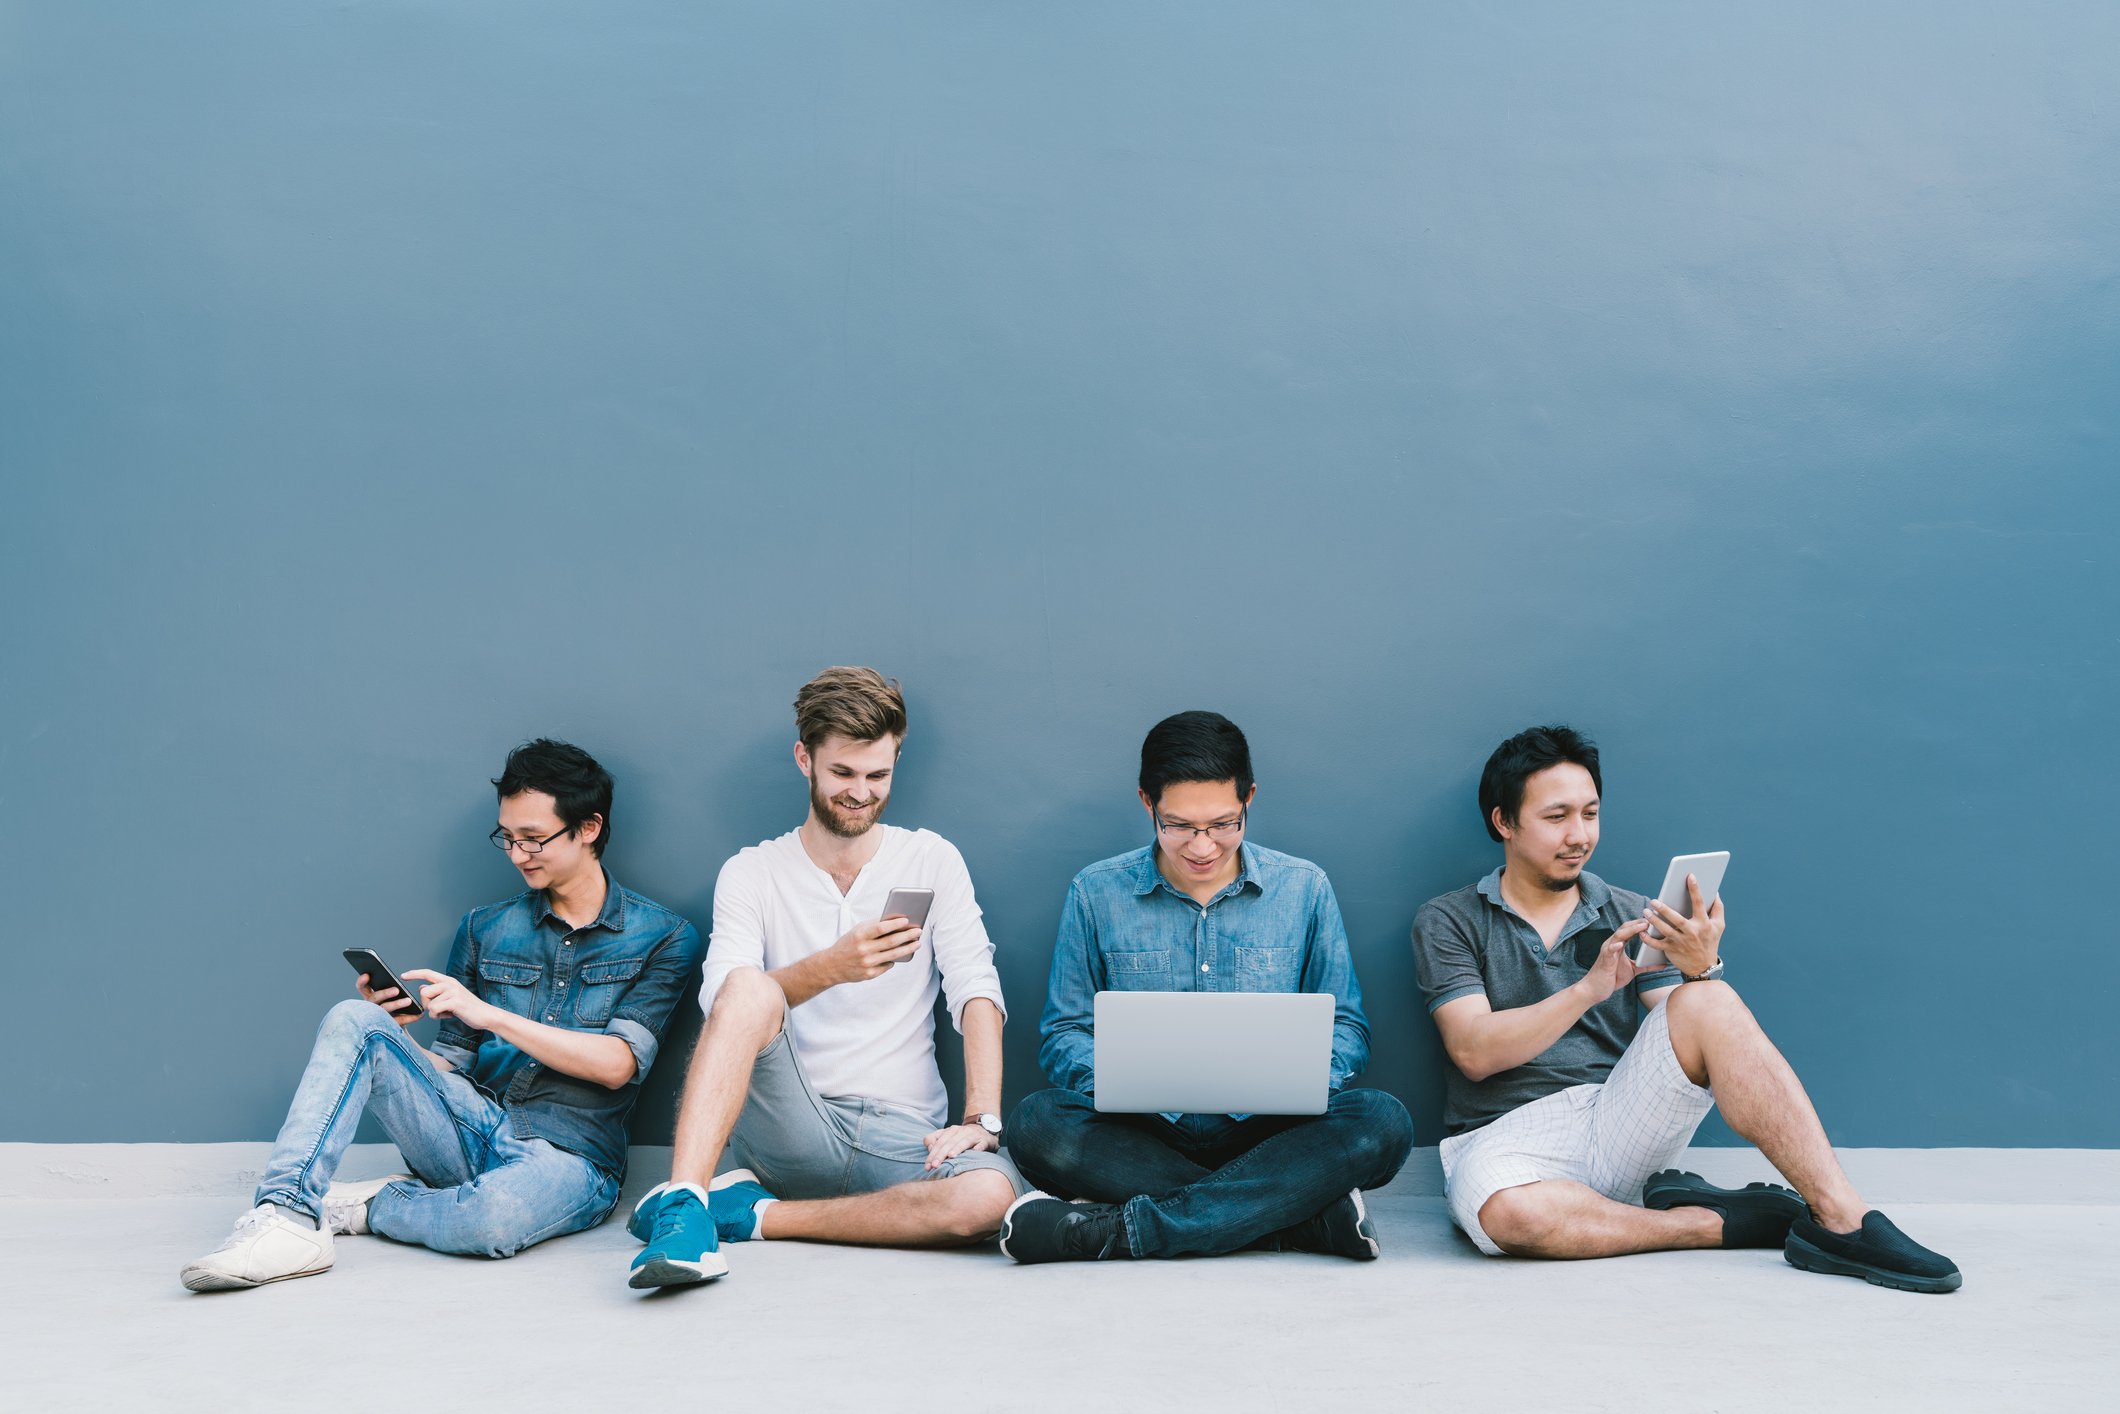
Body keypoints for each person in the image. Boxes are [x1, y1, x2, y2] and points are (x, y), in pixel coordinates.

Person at [1412, 724, 1960, 1292]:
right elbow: (1473, 1053)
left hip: (1619, 1114)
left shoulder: (1634, 912)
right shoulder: (1450, 919)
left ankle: (1843, 1217)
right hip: (1506, 1136)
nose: (1579, 835)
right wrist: (1586, 990)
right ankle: (1705, 1222)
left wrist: (1701, 967)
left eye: (1591, 813)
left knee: (1709, 998)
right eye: (1557, 818)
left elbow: (1686, 1026)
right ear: (1504, 822)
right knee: (1513, 1220)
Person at [181, 740, 703, 1291]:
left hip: (571, 1157)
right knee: (354, 1020)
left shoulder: (664, 936)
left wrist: (491, 1016)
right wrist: (399, 1039)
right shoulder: (484, 928)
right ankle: (286, 1218)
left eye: (533, 838)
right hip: (469, 1124)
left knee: (492, 1221)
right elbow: (453, 1065)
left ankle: (370, 1205)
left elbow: (618, 1065)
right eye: (507, 838)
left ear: (589, 827)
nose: (518, 853)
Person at [626, 668, 1025, 1289]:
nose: (860, 793)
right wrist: (828, 970)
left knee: (989, 1199)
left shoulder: (931, 859)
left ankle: (753, 1216)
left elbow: (976, 988)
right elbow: (725, 1005)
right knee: (747, 986)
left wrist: (982, 1118)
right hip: (790, 1125)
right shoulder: (751, 871)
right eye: (842, 773)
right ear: (804, 759)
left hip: (904, 1135)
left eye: (877, 775)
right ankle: (684, 1207)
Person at [999, 710, 1413, 1264]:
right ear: (1147, 803)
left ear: (1250, 799)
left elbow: (1349, 1026)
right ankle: (1294, 1217)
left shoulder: (1304, 888)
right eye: (1179, 826)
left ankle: (1116, 1231)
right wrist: (1126, 1079)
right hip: (1143, 1131)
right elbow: (1064, 1031)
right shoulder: (1096, 892)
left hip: (1270, 1131)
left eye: (1223, 824)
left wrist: (1299, 1076)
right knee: (1036, 1124)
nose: (1202, 847)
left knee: (1382, 1121)